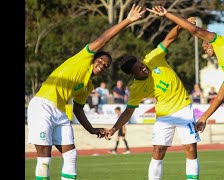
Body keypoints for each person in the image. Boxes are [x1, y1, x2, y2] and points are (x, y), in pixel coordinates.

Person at [146, 6, 224, 180]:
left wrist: (167, 14)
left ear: (209, 40)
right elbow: (220, 96)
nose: (204, 50)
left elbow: (194, 29)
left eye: (204, 46)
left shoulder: (221, 41)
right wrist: (204, 117)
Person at [26, 4, 145, 180]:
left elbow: (78, 110)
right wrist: (128, 20)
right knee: (44, 158)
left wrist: (92, 130)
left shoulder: (88, 86)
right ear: (93, 58)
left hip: (59, 112)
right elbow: (105, 38)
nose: (103, 66)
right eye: (101, 61)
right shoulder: (83, 58)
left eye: (106, 66)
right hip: (42, 106)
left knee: (71, 155)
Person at [106, 17, 201, 180]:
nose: (144, 68)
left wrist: (181, 24)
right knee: (158, 151)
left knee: (190, 148)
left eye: (141, 64)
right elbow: (128, 111)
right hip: (164, 116)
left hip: (184, 108)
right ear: (131, 75)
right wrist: (114, 128)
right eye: (139, 69)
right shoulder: (136, 89)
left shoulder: (153, 58)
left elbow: (169, 38)